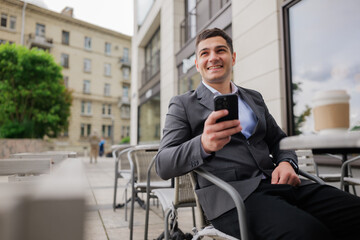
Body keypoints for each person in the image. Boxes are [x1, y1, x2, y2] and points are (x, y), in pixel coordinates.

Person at [155, 28, 360, 240]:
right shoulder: (183, 105)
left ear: (233, 58)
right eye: (204, 53)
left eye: (221, 50)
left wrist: (287, 163)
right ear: (197, 64)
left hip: (280, 184)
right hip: (234, 199)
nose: (213, 57)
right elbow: (163, 163)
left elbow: (280, 141)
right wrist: (203, 144)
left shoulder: (254, 98)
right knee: (307, 233)